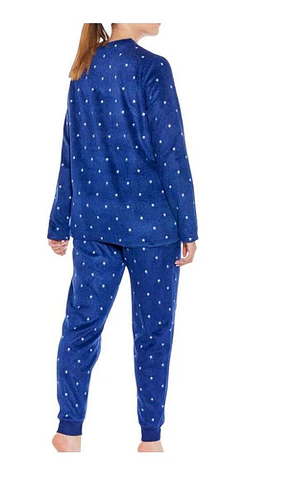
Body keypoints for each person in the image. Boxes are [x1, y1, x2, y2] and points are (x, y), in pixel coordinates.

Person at [47, 23, 198, 452]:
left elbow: (69, 152)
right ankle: (150, 442)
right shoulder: (152, 67)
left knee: (81, 327)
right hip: (153, 228)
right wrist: (188, 226)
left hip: (93, 225)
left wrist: (59, 221)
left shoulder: (82, 69)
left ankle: (68, 432)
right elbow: (171, 152)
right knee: (153, 334)